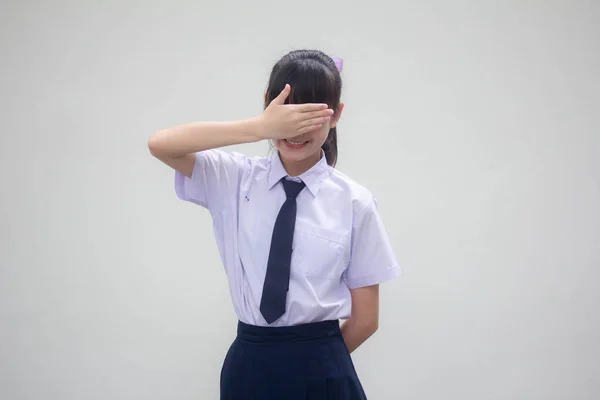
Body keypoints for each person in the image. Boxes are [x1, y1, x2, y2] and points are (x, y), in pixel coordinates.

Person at [148, 49, 401, 399]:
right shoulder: (233, 180)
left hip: (324, 370)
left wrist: (315, 362)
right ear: (268, 105)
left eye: (311, 114)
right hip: (250, 368)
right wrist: (259, 127)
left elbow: (366, 320)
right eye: (287, 112)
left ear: (336, 115)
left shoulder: (355, 201)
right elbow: (161, 144)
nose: (296, 129)